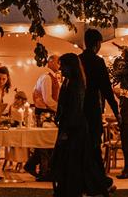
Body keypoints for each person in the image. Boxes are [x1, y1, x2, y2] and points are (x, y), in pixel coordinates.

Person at [50, 53, 94, 197]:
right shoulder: (68, 82)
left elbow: (74, 109)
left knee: (71, 162)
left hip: (75, 129)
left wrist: (66, 131)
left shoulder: (76, 84)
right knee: (64, 161)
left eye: (63, 66)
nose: (60, 68)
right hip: (68, 126)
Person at [80, 30, 118, 193]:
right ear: (97, 43)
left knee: (83, 148)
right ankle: (100, 181)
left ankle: (91, 181)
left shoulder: (78, 60)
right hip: (92, 110)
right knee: (95, 147)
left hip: (79, 110)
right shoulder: (97, 62)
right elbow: (107, 89)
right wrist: (117, 112)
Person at [25, 54, 63, 180]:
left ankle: (33, 166)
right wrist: (61, 109)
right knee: (45, 144)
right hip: (44, 114)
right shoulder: (47, 78)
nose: (60, 64)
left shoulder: (49, 77)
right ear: (50, 62)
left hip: (45, 113)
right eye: (58, 62)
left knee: (45, 143)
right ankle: (44, 172)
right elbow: (48, 100)